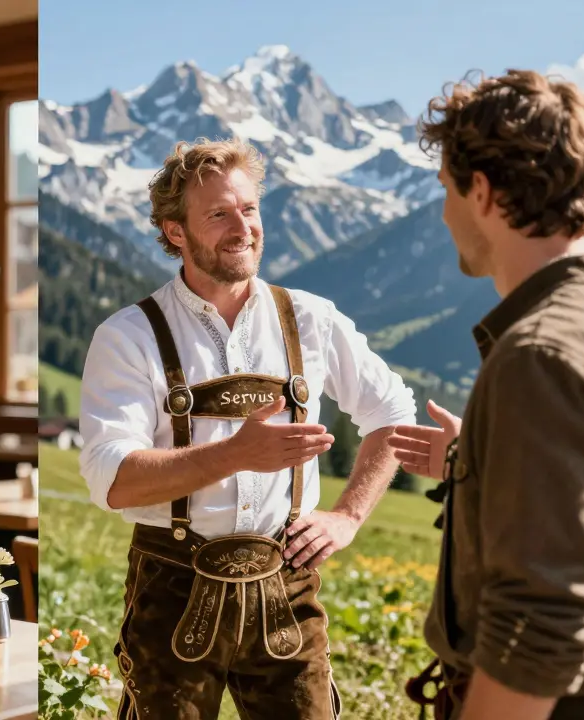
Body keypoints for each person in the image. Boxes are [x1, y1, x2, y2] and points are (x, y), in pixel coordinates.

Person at [77, 136, 417, 718]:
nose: (243, 227)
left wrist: (347, 515)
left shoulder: (310, 318)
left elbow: (393, 413)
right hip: (173, 588)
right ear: (175, 231)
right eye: (218, 214)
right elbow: (112, 480)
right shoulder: (128, 335)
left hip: (287, 587)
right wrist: (235, 453)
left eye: (250, 209)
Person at [390, 70, 584, 720]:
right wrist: (476, 458)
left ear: (485, 193)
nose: (443, 213)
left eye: (447, 189)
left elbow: (543, 623)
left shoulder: (540, 356)